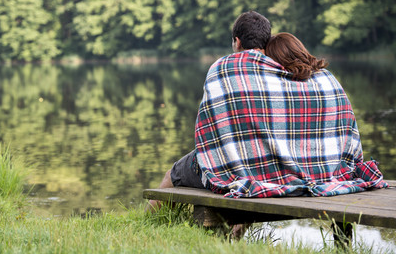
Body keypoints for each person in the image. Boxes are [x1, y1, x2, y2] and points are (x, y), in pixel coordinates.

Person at [147, 11, 387, 212]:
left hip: (246, 173)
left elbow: (209, 131)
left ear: (237, 41)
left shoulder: (224, 68)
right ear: (267, 41)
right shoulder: (307, 77)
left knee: (175, 174)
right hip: (320, 173)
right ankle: (234, 237)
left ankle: (147, 223)